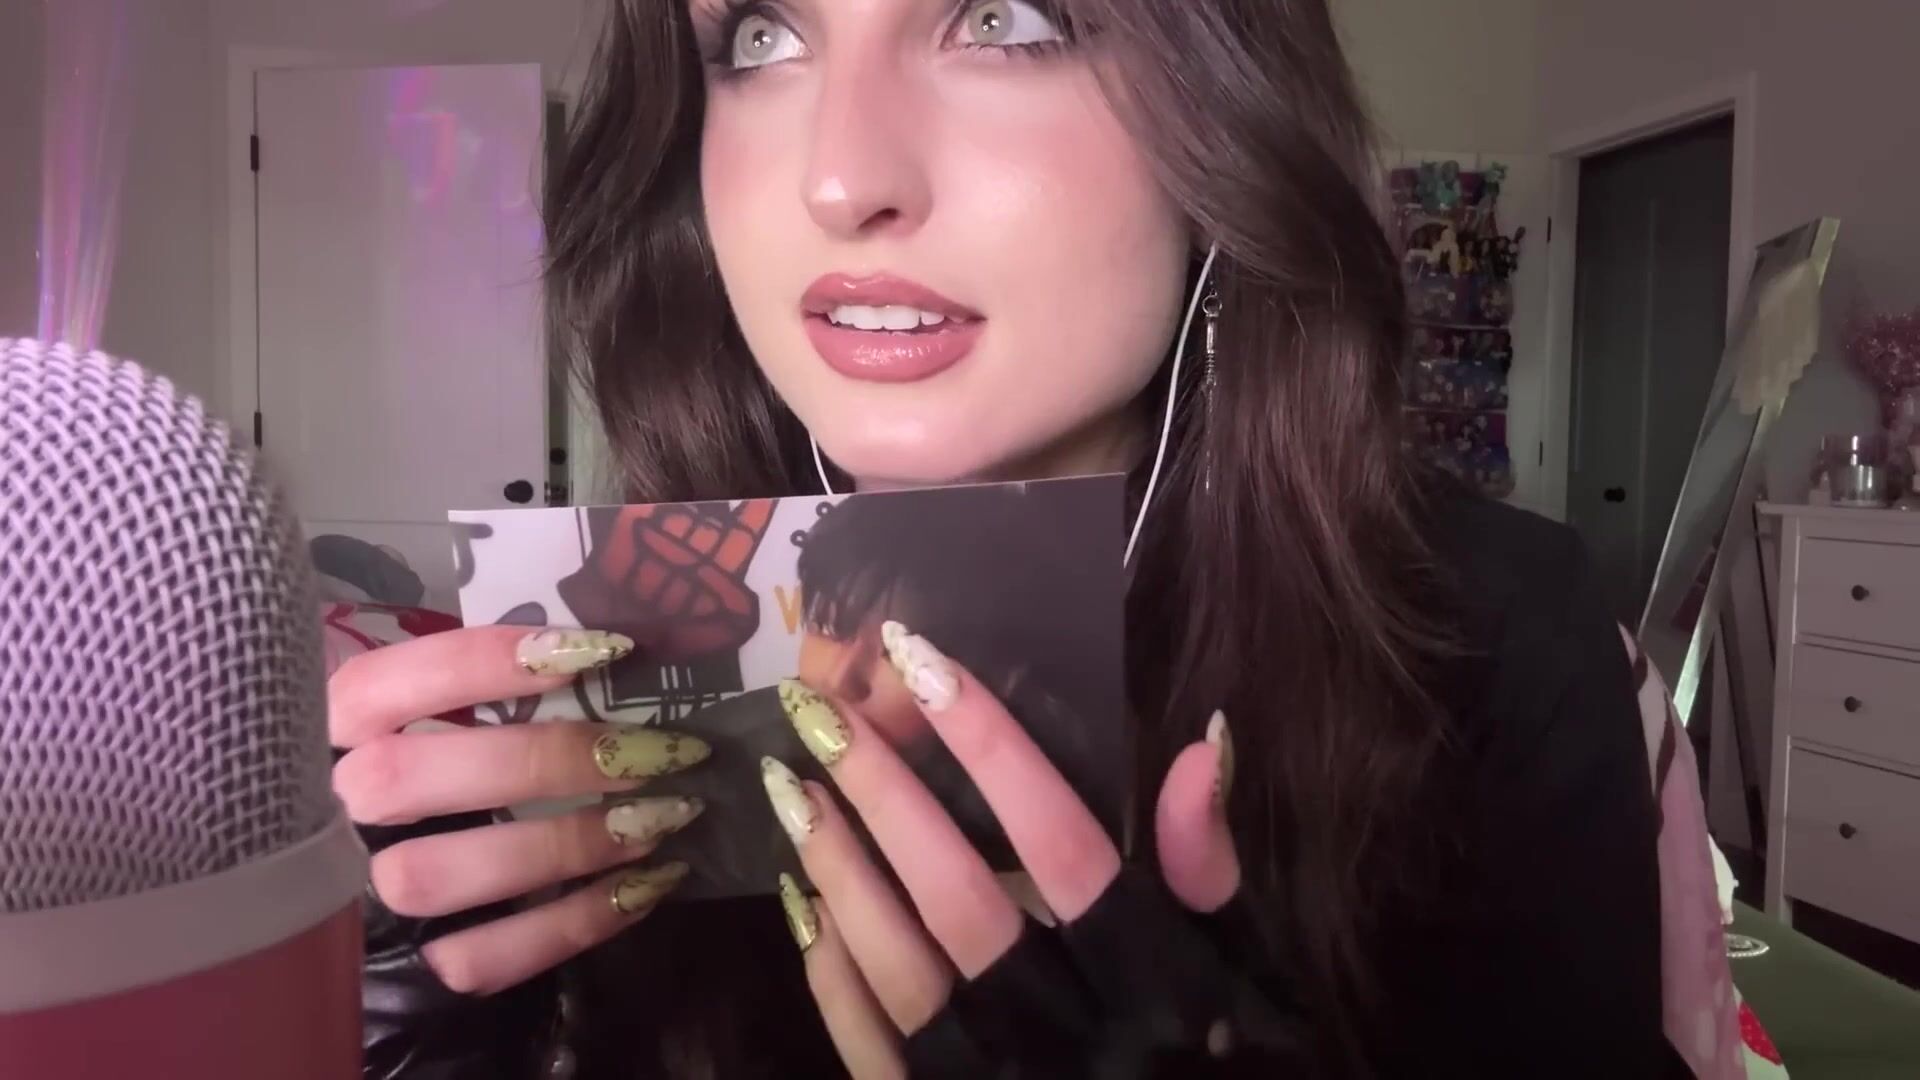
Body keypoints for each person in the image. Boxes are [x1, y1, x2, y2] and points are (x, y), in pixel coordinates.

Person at [329, 0, 1687, 1075]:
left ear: (1228, 108)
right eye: (760, 34)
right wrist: (408, 1022)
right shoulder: (622, 667)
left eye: (1006, 17)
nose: (841, 180)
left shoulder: (1498, 635)